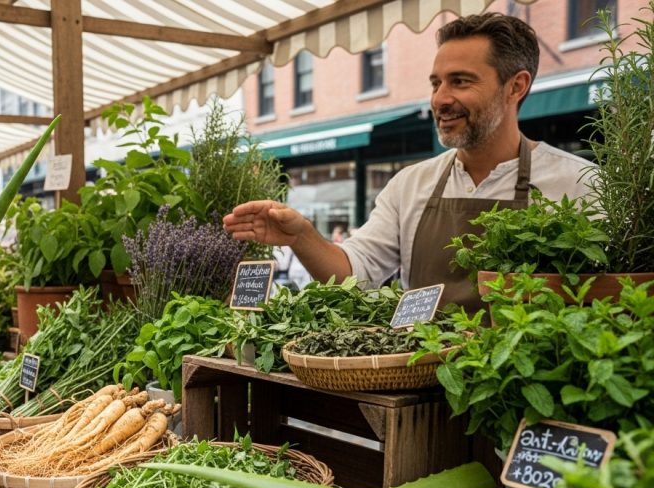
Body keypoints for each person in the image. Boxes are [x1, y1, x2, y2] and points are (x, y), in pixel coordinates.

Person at [223, 13, 591, 313]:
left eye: (460, 81)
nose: (440, 99)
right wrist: (301, 237)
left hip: (520, 395)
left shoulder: (578, 184)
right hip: (415, 390)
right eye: (436, 83)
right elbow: (355, 275)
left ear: (516, 86)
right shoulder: (411, 184)